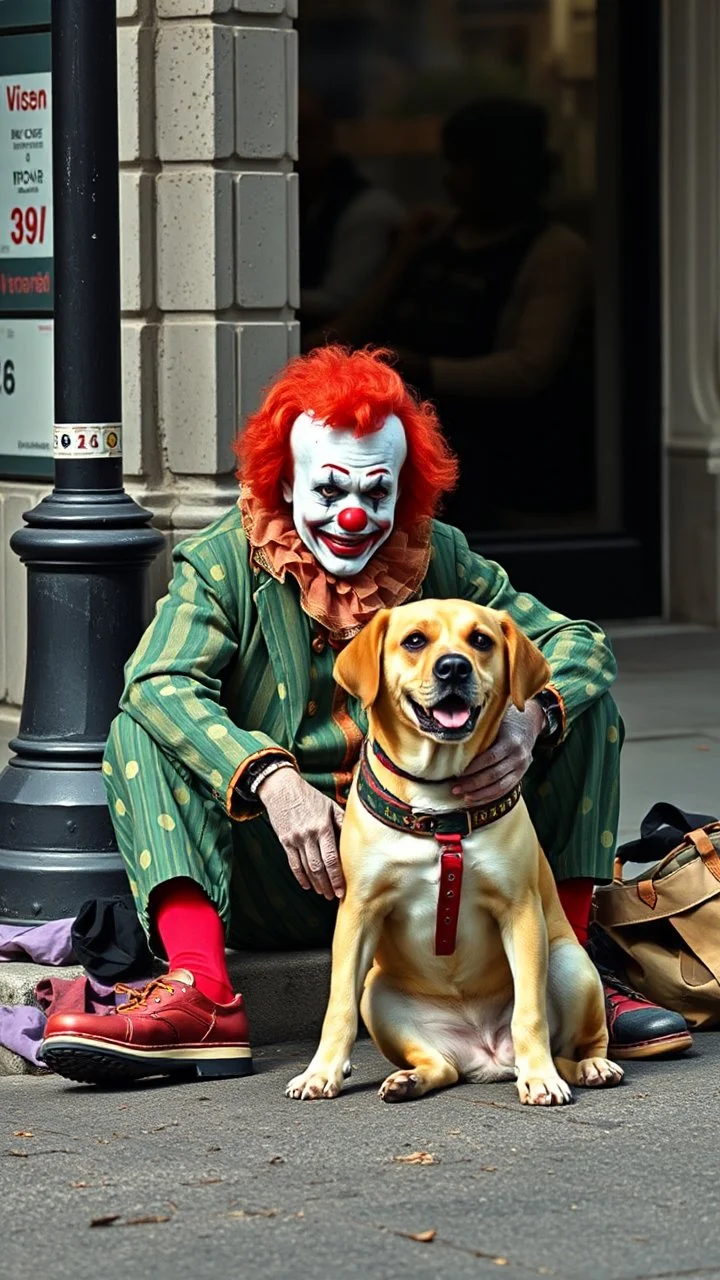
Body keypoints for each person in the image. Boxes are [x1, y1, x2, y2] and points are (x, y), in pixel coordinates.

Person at [39, 346, 691, 1085]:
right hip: (286, 869)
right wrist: (270, 781)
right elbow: (158, 682)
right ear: (286, 481)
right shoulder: (226, 562)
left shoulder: (435, 556)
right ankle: (202, 990)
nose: (354, 515)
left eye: (376, 493)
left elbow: (580, 644)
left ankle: (566, 968)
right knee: (139, 729)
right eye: (329, 489)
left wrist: (531, 718)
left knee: (582, 706)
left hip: (448, 859)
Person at [320, 98, 595, 529]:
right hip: (407, 447)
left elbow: (529, 369)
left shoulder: (555, 251)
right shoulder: (435, 234)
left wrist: (423, 368)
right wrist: (402, 258)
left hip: (505, 463)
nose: (449, 180)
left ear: (503, 170)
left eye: (462, 165)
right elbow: (359, 321)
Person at [298, 90, 405, 328]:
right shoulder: (298, 202)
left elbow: (338, 301)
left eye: (303, 132)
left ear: (328, 137)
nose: (293, 144)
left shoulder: (369, 210)